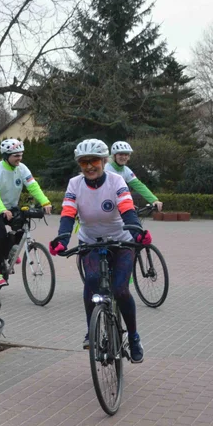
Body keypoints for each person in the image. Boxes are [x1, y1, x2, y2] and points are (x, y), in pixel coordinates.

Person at [49, 139, 150, 363]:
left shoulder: (116, 181)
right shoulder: (75, 184)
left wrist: (137, 234)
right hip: (91, 242)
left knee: (121, 290)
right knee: (92, 280)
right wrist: (62, 239)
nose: (89, 167)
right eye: (84, 162)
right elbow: (68, 213)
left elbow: (127, 209)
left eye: (93, 161)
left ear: (104, 161)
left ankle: (133, 336)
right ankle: (91, 330)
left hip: (120, 242)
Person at [0, 138, 53, 286]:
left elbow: (33, 186)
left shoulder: (22, 168)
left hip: (11, 207)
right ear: (6, 156)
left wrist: (45, 201)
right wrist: (2, 209)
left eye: (21, 154)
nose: (20, 158)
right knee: (0, 236)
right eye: (16, 155)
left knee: (23, 227)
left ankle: (10, 252)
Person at [107, 141, 162, 212]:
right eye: (120, 154)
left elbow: (139, 185)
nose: (123, 157)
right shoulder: (106, 168)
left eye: (126, 155)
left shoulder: (126, 171)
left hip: (119, 206)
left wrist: (154, 200)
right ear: (114, 155)